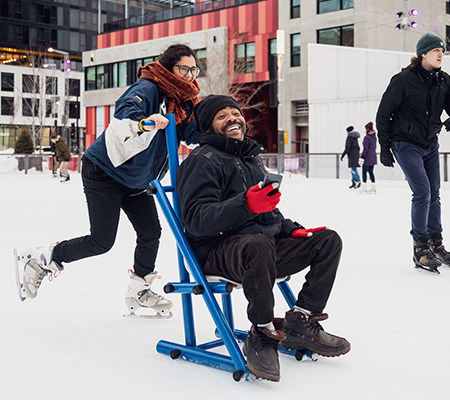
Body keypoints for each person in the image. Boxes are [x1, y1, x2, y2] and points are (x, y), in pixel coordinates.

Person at [18, 44, 202, 317]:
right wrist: (143, 122)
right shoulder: (149, 88)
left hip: (137, 180)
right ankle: (47, 257)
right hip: (105, 171)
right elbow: (125, 111)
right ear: (167, 68)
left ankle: (138, 288)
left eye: (193, 69)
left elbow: (192, 133)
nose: (189, 75)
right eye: (183, 68)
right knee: (101, 241)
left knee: (151, 232)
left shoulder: (183, 102)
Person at [176, 95, 350, 382]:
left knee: (328, 240)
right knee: (257, 245)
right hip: (218, 251)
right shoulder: (201, 161)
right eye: (222, 116)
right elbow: (196, 220)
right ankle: (262, 331)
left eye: (235, 113)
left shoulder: (250, 158)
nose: (232, 118)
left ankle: (301, 322)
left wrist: (290, 229)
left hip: (261, 249)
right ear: (208, 127)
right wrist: (246, 204)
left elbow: (268, 211)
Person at [376, 32, 450, 273]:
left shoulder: (443, 81)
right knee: (423, 191)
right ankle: (420, 247)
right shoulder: (403, 80)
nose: (441, 54)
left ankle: (436, 244)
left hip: (430, 143)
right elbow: (383, 114)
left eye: (442, 50)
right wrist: (384, 147)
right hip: (405, 143)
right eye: (436, 50)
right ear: (423, 54)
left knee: (435, 193)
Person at [360, 122, 377, 194]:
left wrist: (362, 156)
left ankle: (364, 187)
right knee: (371, 172)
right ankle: (373, 187)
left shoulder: (366, 138)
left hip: (367, 157)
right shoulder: (374, 137)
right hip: (373, 156)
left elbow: (365, 149)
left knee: (364, 172)